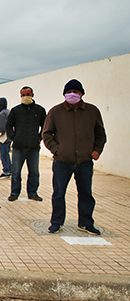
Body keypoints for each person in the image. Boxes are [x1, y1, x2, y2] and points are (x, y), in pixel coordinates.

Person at [43, 79, 106, 234]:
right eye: (69, 92)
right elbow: (47, 134)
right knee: (58, 193)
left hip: (84, 161)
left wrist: (97, 150)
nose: (72, 95)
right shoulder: (55, 112)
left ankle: (85, 223)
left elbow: (100, 134)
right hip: (62, 161)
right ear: (64, 94)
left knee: (86, 193)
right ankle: (57, 222)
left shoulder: (92, 111)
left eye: (75, 92)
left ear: (81, 94)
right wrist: (57, 150)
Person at [6, 86, 47, 201]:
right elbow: (9, 126)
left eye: (28, 94)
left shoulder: (39, 110)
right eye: (23, 95)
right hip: (18, 147)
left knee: (34, 171)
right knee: (16, 171)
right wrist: (14, 137)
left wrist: (39, 138)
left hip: (33, 147)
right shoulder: (16, 110)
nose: (25, 97)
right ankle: (14, 192)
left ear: (32, 95)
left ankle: (33, 192)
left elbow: (45, 126)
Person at [0, 97, 12, 179]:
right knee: (7, 154)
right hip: (9, 137)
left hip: (3, 138)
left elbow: (2, 126)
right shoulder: (8, 112)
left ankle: (6, 171)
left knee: (4, 155)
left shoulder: (2, 114)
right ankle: (10, 169)